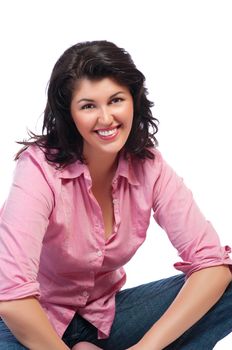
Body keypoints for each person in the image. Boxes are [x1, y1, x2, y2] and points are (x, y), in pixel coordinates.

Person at [0, 40, 231, 350]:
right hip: (30, 326)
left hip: (103, 320)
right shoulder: (39, 168)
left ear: (133, 101)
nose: (106, 118)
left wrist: (145, 348)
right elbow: (13, 299)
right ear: (69, 113)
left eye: (115, 100)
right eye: (88, 106)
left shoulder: (149, 167)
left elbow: (212, 265)